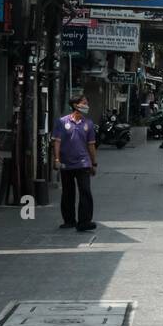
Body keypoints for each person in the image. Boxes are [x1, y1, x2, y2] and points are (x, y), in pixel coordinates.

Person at [52, 95, 99, 232]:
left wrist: (94, 163)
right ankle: (69, 220)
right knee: (68, 192)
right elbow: (57, 142)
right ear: (75, 105)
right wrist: (56, 159)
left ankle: (84, 221)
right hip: (66, 163)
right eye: (84, 103)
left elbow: (91, 145)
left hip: (83, 163)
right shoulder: (62, 122)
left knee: (85, 191)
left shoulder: (88, 123)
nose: (87, 105)